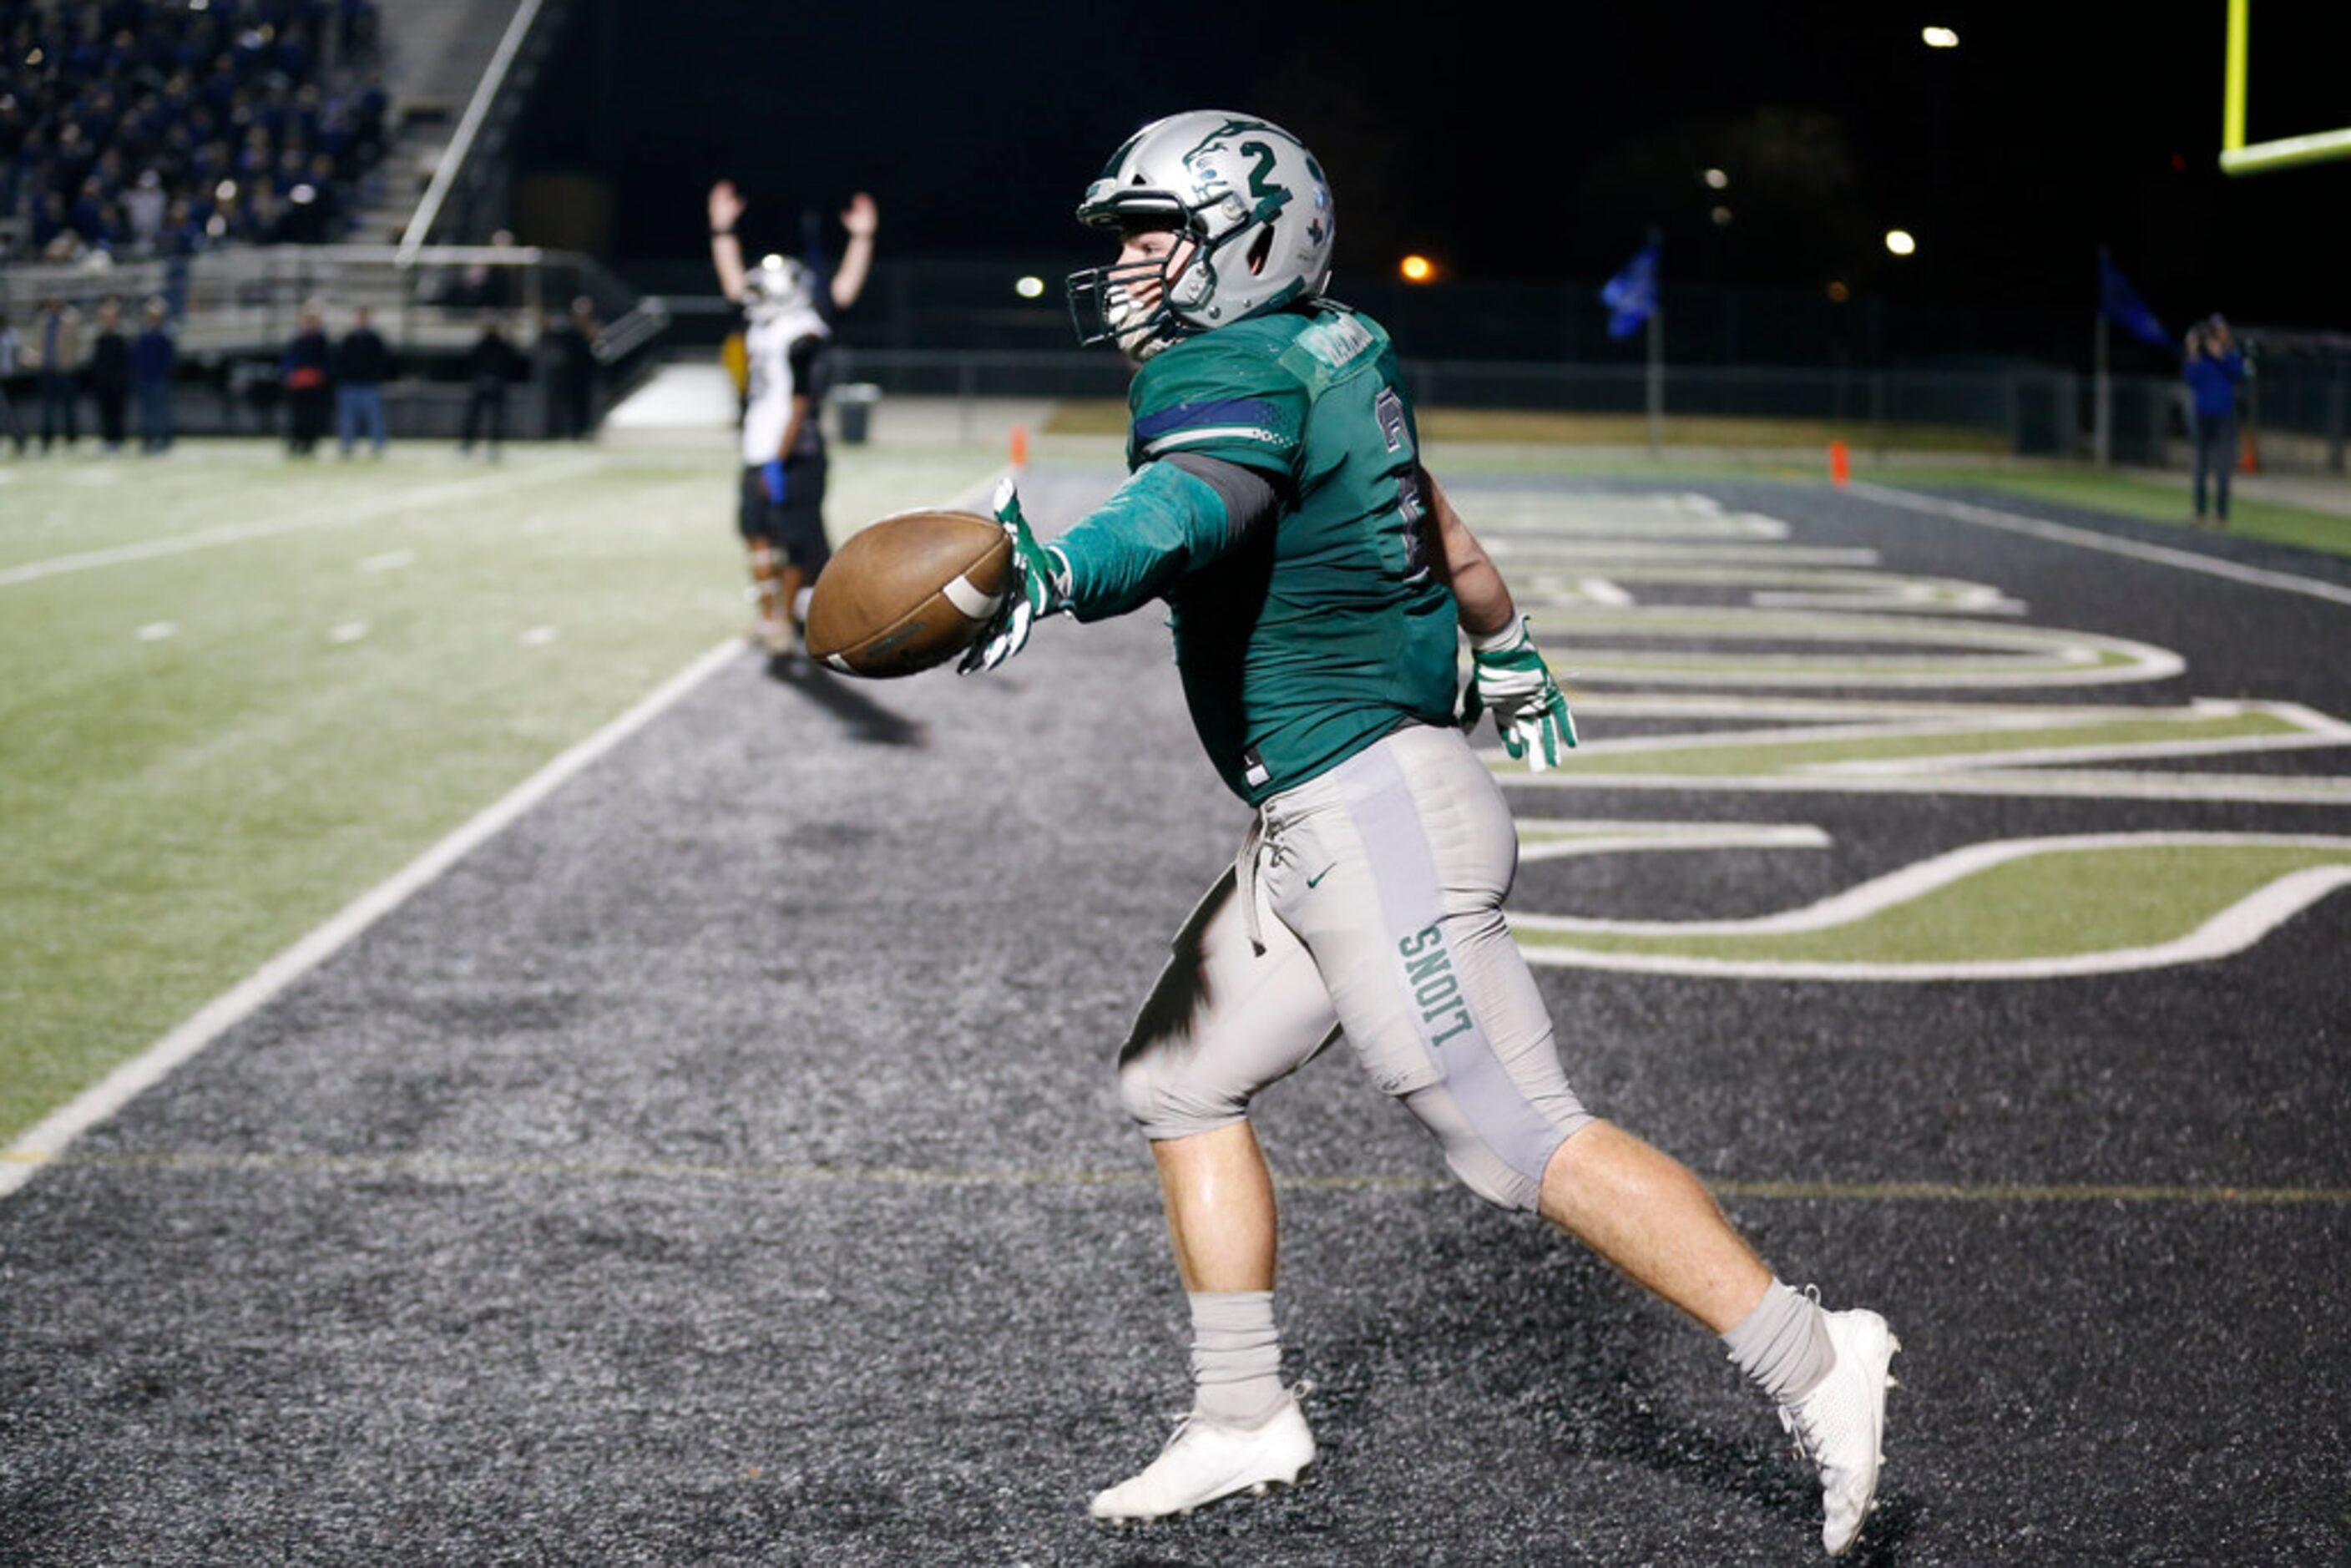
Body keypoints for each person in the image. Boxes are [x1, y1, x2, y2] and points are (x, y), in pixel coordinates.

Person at [957, 112, 1898, 1558]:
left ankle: (1816, 1355)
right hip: (1332, 808)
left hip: (1372, 809)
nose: (1133, 265)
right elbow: (1436, 523)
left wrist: (1058, 570)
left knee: (1517, 1132)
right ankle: (1241, 1413)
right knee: (1177, 1077)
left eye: (1157, 231)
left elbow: (1188, 508)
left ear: (1248, 236)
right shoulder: (1339, 346)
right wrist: (1508, 645)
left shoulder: (1228, 369)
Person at [707, 183, 877, 657]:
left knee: (800, 540)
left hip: (795, 450)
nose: (753, 294)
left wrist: (861, 239)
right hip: (758, 448)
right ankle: (770, 617)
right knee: (754, 530)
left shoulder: (805, 330)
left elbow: (841, 292)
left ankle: (792, 616)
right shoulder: (762, 324)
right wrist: (722, 229)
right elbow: (733, 286)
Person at [2182, 316, 2248, 529]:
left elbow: (2240, 373)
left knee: (2222, 466)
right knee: (2200, 465)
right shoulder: (2201, 359)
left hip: (2224, 416)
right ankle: (2199, 511)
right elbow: (2190, 378)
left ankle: (2221, 515)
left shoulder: (2230, 355)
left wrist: (2220, 354)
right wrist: (2193, 350)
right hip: (2203, 416)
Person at [457, 316, 524, 459]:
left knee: (497, 418)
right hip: (480, 386)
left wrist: (498, 380)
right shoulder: (480, 346)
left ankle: (495, 444)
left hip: (498, 387)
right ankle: (468, 443)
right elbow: (471, 366)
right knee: (473, 416)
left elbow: (511, 366)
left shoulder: (503, 346)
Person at [336, 304, 392, 458]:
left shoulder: (375, 339)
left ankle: (378, 445)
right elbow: (341, 361)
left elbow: (382, 361)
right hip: (351, 384)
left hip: (369, 384)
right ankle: (347, 446)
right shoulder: (349, 339)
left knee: (374, 418)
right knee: (348, 419)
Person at [546, 296, 600, 440]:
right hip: (570, 372)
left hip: (585, 372)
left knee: (585, 403)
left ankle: (584, 430)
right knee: (567, 403)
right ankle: (569, 430)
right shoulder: (568, 329)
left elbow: (596, 349)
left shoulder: (591, 328)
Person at [34, 298, 83, 453]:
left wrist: (70, 362)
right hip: (48, 370)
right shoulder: (43, 320)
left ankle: (72, 441)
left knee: (69, 409)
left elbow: (78, 344)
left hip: (65, 371)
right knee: (47, 410)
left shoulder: (71, 318)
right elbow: (38, 344)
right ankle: (47, 440)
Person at [281, 308, 332, 456]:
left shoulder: (321, 340)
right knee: (298, 416)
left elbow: (326, 363)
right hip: (299, 385)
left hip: (314, 386)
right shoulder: (298, 340)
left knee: (313, 416)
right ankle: (295, 443)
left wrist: (319, 374)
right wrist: (291, 374)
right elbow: (289, 360)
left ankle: (309, 444)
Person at [130, 297, 176, 453]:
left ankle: (164, 440)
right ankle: (148, 440)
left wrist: (162, 373)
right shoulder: (144, 335)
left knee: (161, 412)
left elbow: (168, 359)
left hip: (158, 379)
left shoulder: (164, 335)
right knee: (146, 412)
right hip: (145, 378)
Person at [86, 298, 131, 453]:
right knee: (104, 413)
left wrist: (120, 380)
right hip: (103, 383)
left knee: (117, 413)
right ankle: (107, 439)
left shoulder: (120, 338)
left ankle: (117, 440)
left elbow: (124, 362)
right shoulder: (100, 338)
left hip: (117, 384)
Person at [0, 312, 28, 456]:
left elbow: (17, 355)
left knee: (14, 413)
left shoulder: (12, 335)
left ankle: (20, 441)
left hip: (11, 379)